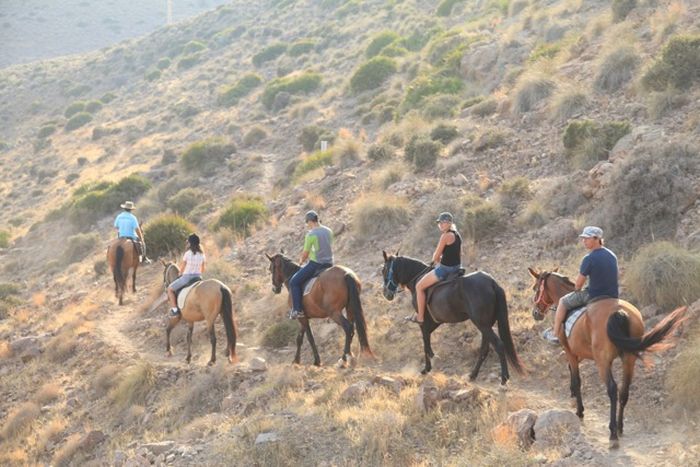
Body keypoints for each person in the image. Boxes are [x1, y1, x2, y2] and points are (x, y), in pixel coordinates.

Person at [549, 226, 618, 343]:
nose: (583, 241)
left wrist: (578, 289)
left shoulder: (589, 258)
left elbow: (578, 285)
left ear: (596, 239)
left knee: (562, 302)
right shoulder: (612, 255)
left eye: (587, 238)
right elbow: (615, 276)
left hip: (594, 296)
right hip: (613, 296)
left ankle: (556, 335)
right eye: (583, 238)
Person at [410, 212, 462, 324]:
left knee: (419, 287)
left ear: (450, 223)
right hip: (457, 268)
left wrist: (437, 263)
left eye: (444, 223)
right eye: (440, 223)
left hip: (445, 269)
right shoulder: (457, 235)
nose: (441, 225)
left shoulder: (445, 236)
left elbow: (436, 256)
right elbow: (456, 253)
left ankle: (420, 317)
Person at [288, 210, 334, 319]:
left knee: (294, 282)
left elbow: (306, 253)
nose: (307, 226)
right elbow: (329, 245)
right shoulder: (329, 231)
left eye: (307, 223)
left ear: (310, 221)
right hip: (329, 263)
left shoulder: (311, 235)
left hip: (316, 264)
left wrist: (301, 261)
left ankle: (297, 310)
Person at [168, 233, 206, 317]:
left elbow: (183, 267)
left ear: (190, 243)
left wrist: (180, 273)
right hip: (198, 277)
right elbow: (203, 269)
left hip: (187, 277)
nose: (187, 243)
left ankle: (175, 310)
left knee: (170, 289)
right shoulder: (202, 254)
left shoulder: (187, 254)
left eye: (188, 242)